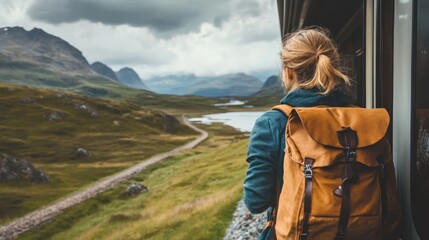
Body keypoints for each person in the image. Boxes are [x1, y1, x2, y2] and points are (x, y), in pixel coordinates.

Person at [243, 27, 352, 239]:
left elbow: (255, 201)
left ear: (288, 72)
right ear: (332, 66)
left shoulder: (272, 123)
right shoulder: (359, 121)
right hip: (359, 231)